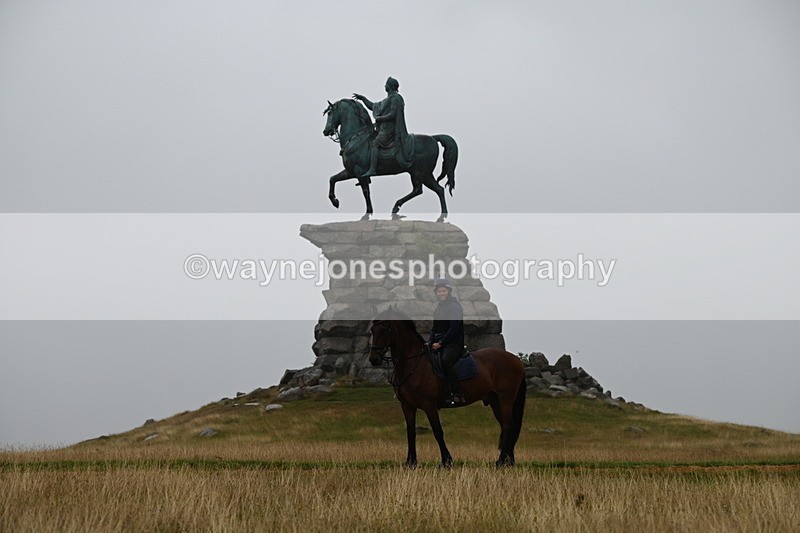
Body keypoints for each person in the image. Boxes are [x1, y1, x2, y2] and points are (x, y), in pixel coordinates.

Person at [352, 76, 414, 178]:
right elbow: (373, 106)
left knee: (375, 143)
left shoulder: (396, 98)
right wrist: (363, 98)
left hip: (389, 131)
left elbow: (393, 114)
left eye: (386, 84)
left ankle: (372, 169)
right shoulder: (387, 100)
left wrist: (380, 119)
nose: (385, 85)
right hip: (383, 129)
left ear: (390, 86)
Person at [428, 277, 466, 406]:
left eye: (444, 291)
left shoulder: (454, 307)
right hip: (441, 342)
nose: (441, 293)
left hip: (454, 343)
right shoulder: (438, 308)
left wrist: (440, 343)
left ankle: (457, 393)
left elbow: (454, 328)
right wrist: (429, 343)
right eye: (439, 291)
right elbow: (434, 328)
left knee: (445, 361)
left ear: (448, 291)